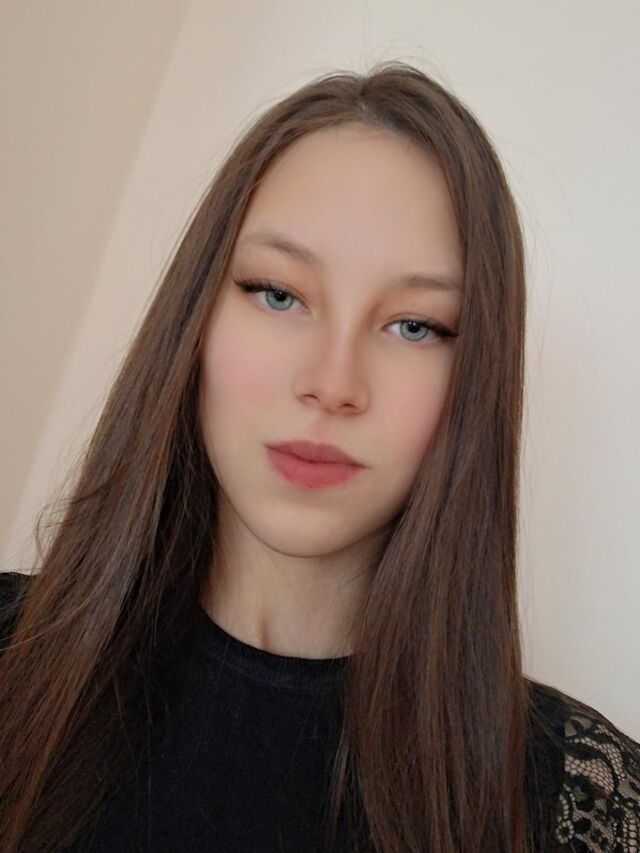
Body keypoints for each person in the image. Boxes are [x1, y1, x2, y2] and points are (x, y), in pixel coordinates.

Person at [0, 61, 638, 853]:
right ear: (194, 317)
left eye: (414, 325)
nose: (332, 384)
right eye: (278, 293)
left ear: (475, 378)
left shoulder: (587, 800)